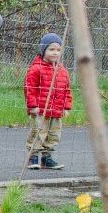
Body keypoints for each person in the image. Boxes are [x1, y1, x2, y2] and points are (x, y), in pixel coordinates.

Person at [23, 32, 70, 172]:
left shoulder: (62, 71)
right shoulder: (36, 68)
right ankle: (33, 156)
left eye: (58, 50)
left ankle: (46, 157)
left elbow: (67, 89)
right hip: (40, 110)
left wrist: (66, 106)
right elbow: (29, 88)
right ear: (43, 50)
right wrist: (32, 105)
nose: (55, 53)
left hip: (56, 110)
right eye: (51, 49)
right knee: (38, 132)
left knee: (53, 134)